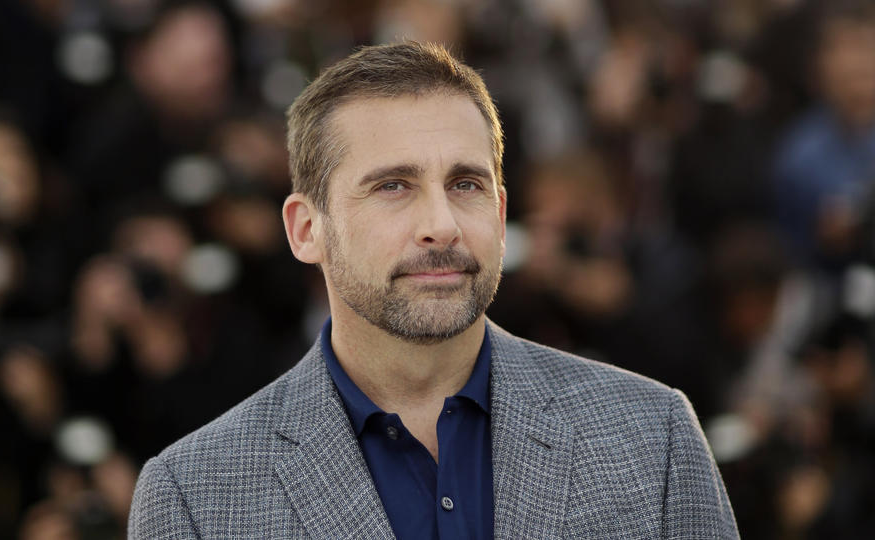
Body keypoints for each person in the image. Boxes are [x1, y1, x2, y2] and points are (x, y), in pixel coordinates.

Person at [128, 42, 738, 539]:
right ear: (306, 230)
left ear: (501, 215)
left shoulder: (652, 436)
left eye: (466, 184)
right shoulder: (194, 497)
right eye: (393, 186)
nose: (442, 224)